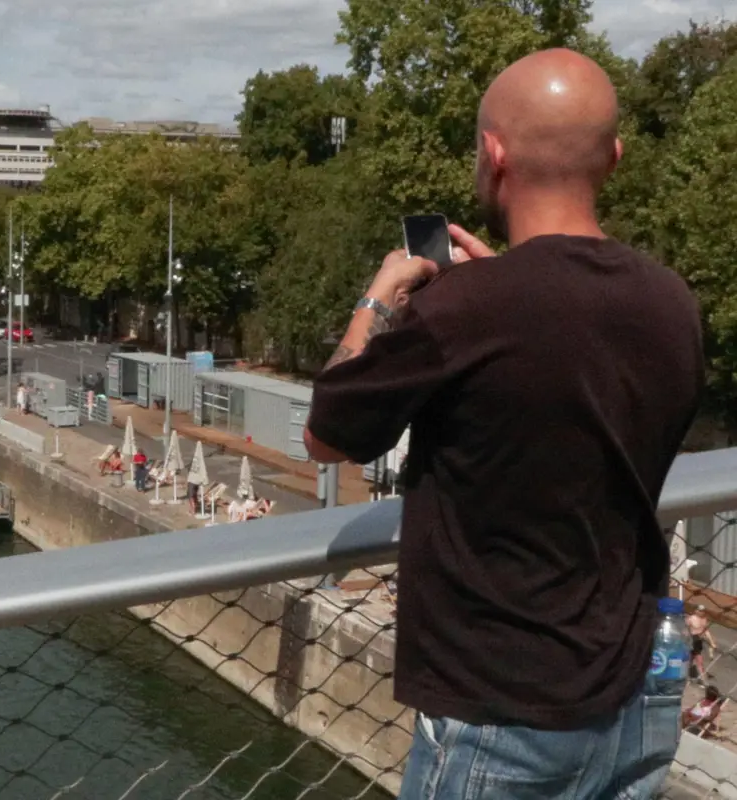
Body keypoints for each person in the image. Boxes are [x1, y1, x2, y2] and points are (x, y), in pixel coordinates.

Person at [305, 49, 704, 799]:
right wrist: (500, 289)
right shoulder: (673, 303)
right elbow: (569, 372)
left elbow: (330, 430)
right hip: (635, 693)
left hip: (504, 704)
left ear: (493, 155)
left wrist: (382, 300)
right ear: (613, 158)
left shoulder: (465, 308)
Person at [687, 604, 717, 680]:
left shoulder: (704, 619)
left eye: (703, 611)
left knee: (697, 660)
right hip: (692, 639)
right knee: (693, 659)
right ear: (696, 610)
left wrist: (712, 642)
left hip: (699, 641)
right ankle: (690, 675)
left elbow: (706, 631)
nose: (701, 612)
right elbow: (684, 629)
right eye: (700, 610)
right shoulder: (691, 619)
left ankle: (700, 677)